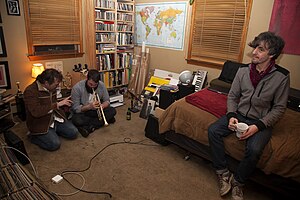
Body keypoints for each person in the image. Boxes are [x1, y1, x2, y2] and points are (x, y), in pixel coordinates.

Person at [208, 31, 290, 200]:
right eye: (255, 48)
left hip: (261, 120)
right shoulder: (243, 71)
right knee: (213, 130)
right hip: (239, 114)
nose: (254, 52)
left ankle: (238, 181)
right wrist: (231, 115)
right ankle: (223, 173)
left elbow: (279, 108)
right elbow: (232, 96)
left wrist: (258, 126)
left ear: (272, 54)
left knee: (254, 149)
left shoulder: (281, 76)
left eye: (260, 49)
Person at [24, 69, 78, 151]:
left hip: (54, 118)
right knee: (54, 144)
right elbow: (36, 111)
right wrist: (57, 104)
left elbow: (53, 103)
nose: (58, 86)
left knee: (73, 133)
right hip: (40, 122)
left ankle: (52, 132)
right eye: (56, 84)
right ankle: (33, 136)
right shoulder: (30, 91)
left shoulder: (52, 88)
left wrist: (62, 103)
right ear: (46, 83)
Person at [71, 69, 116, 137]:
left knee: (112, 110)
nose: (92, 87)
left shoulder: (101, 85)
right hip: (84, 112)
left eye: (95, 85)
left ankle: (90, 127)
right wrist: (89, 106)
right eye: (90, 84)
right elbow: (75, 108)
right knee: (76, 120)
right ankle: (102, 122)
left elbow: (107, 101)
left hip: (97, 110)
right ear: (87, 79)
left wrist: (103, 105)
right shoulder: (77, 88)